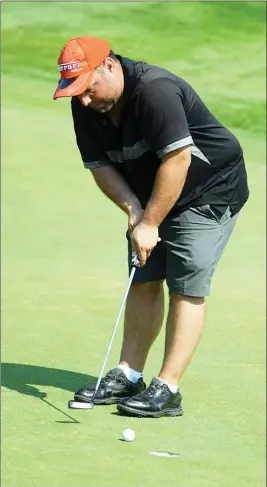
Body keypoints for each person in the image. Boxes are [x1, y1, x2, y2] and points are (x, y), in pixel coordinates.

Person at [53, 36, 249, 418]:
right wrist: (133, 211)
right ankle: (129, 374)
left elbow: (177, 160)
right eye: (76, 93)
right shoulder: (86, 103)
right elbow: (99, 165)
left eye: (89, 88)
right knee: (143, 275)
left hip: (208, 188)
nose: (85, 101)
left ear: (109, 65)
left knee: (185, 282)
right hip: (153, 189)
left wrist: (152, 221)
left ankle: (168, 388)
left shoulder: (154, 92)